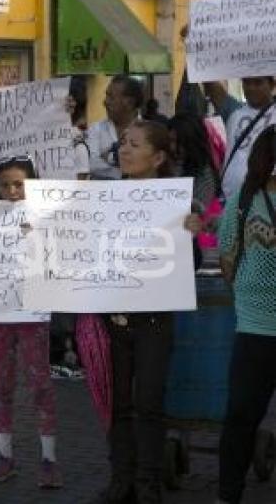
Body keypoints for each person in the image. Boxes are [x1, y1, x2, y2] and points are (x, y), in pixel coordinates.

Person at [93, 120, 202, 504]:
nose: (124, 149)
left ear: (157, 157)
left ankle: (148, 482)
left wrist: (192, 231)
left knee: (149, 402)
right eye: (123, 143)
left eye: (134, 144)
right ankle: (121, 479)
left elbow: (193, 259)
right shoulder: (102, 198)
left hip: (154, 320)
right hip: (114, 319)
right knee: (118, 404)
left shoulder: (175, 202)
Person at [0, 156, 61, 488]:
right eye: (5, 185)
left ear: (32, 187)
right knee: (1, 384)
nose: (12, 191)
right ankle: (4, 455)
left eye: (19, 185)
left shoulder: (45, 219)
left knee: (40, 384)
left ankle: (49, 458)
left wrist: (38, 237)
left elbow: (60, 258)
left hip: (32, 314)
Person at [217, 126, 276, 504]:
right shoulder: (241, 201)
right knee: (241, 416)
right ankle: (228, 494)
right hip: (255, 329)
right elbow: (224, 254)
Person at [215, 76, 276, 200]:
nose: (251, 88)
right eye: (246, 82)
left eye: (258, 82)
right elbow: (212, 88)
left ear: (272, 85)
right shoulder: (234, 111)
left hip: (266, 203)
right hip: (229, 200)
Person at [86, 76, 144, 180]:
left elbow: (147, 164)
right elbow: (91, 164)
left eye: (111, 97)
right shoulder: (96, 129)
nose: (105, 102)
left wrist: (107, 157)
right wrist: (122, 173)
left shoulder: (148, 132)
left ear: (129, 103)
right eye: (106, 96)